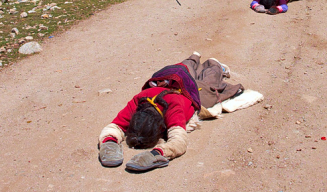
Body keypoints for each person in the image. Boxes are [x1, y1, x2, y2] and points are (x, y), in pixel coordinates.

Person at [97, 52, 238, 172]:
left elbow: (178, 140)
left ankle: (214, 64)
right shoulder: (139, 101)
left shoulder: (172, 106)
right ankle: (193, 57)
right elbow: (115, 126)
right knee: (184, 68)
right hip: (170, 76)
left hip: (183, 86)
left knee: (208, 83)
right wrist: (109, 143)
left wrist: (157, 153)